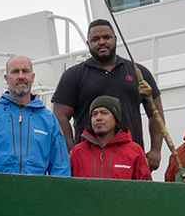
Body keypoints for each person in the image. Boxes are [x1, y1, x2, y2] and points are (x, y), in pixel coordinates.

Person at [49, 19, 162, 153]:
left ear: (114, 39)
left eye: (106, 37)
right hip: (90, 162)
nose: (102, 42)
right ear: (88, 44)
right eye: (95, 39)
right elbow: (59, 116)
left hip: (131, 159)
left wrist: (155, 150)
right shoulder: (73, 75)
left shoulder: (139, 72)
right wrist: (73, 151)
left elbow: (156, 114)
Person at [0, 55, 70, 177]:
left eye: (25, 71)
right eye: (15, 72)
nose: (21, 76)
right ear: (6, 78)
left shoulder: (49, 120)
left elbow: (60, 167)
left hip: (36, 193)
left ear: (33, 77)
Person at [69, 96, 151, 181]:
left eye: (104, 113)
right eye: (94, 114)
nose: (98, 118)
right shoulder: (77, 151)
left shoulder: (134, 151)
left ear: (116, 119)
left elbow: (146, 188)